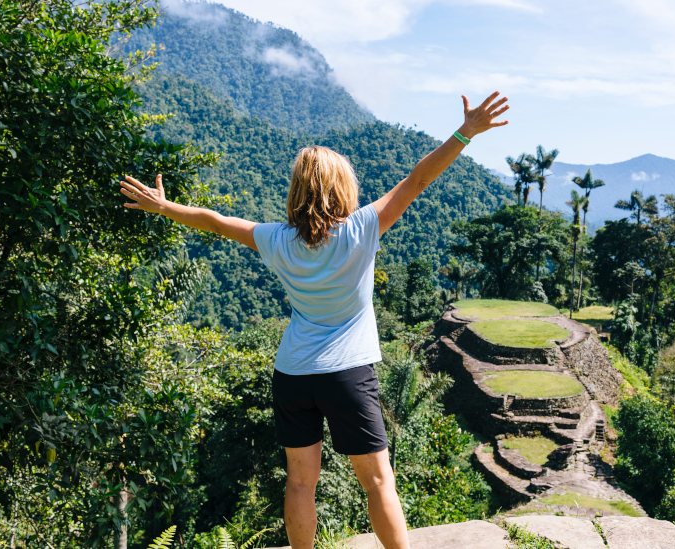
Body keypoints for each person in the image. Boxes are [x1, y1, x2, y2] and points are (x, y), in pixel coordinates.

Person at [119, 91, 510, 549]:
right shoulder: (362, 230)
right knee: (379, 482)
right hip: (346, 374)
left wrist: (165, 207)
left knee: (301, 483)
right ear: (343, 187)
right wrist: (466, 132)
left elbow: (216, 221)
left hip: (293, 375)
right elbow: (417, 180)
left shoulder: (277, 241)